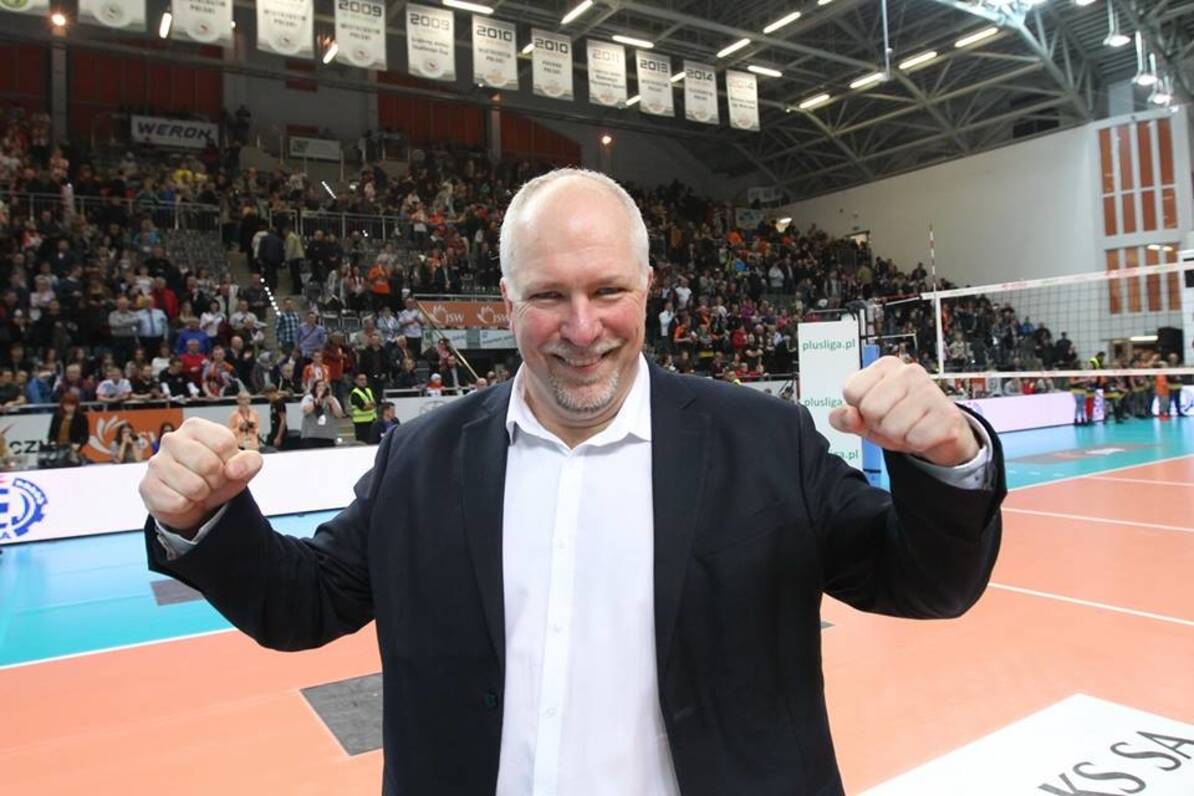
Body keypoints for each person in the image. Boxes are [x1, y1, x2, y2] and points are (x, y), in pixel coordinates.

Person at [139, 169, 1004, 796]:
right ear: (507, 300)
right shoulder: (422, 458)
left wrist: (946, 458)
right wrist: (202, 519)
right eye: (550, 295)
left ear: (649, 287)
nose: (583, 329)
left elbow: (926, 583)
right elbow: (304, 603)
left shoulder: (762, 440)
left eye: (608, 290)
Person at [44, 393, 88, 466]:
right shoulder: (57, 416)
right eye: (67, 405)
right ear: (63, 405)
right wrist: (52, 442)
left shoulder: (81, 417)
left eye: (72, 405)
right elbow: (51, 433)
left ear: (76, 405)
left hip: (73, 449)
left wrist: (79, 444)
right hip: (58, 448)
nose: (69, 408)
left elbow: (85, 435)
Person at [298, 379, 342, 448]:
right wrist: (317, 400)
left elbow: (339, 415)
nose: (321, 388)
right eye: (318, 386)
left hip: (328, 435)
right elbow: (305, 411)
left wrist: (332, 403)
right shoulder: (308, 398)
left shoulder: (332, 399)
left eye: (323, 386)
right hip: (311, 435)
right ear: (314, 388)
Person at [348, 372, 378, 443]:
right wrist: (371, 404)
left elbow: (375, 402)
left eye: (365, 379)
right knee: (363, 443)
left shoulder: (368, 390)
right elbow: (364, 407)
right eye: (361, 379)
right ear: (356, 381)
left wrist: (370, 404)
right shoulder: (355, 393)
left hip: (371, 420)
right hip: (361, 423)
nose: (363, 381)